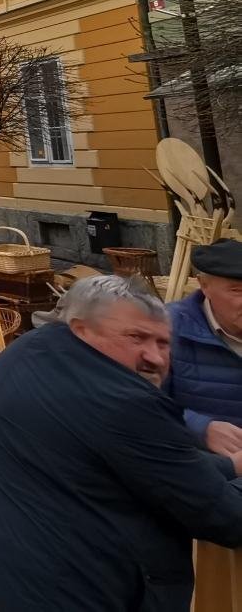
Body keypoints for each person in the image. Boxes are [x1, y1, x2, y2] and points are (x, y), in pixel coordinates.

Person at [0, 274, 242, 612]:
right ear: (81, 329)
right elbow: (224, 517)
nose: (156, 358)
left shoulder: (29, 349)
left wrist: (231, 464)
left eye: (163, 343)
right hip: (62, 592)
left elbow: (148, 465)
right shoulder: (124, 401)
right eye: (136, 338)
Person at [165, 241, 242, 609]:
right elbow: (138, 411)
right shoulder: (167, 329)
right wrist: (200, 428)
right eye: (237, 290)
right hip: (204, 492)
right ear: (204, 285)